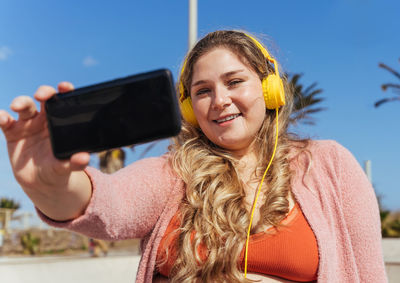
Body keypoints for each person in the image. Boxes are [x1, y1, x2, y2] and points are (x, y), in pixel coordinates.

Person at [0, 30, 387, 283]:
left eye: (235, 82)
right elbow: (110, 205)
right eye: (202, 91)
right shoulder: (173, 172)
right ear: (189, 109)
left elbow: (369, 273)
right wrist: (49, 184)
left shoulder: (330, 165)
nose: (220, 101)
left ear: (270, 90)